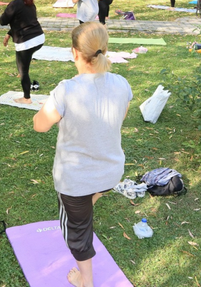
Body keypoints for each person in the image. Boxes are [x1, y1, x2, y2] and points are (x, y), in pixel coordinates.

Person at [32, 22, 132, 287]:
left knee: (76, 232)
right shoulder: (122, 84)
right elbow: (119, 119)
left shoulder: (65, 90)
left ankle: (86, 280)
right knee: (90, 199)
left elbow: (39, 126)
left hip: (76, 182)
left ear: (74, 53)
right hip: (111, 174)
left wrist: (46, 106)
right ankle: (89, 202)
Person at [0, 0, 45, 104]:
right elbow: (23, 21)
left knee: (22, 70)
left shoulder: (15, 4)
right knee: (24, 65)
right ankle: (26, 84)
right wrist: (9, 33)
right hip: (39, 38)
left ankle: (26, 98)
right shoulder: (29, 1)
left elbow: (3, 21)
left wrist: (8, 8)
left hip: (27, 42)